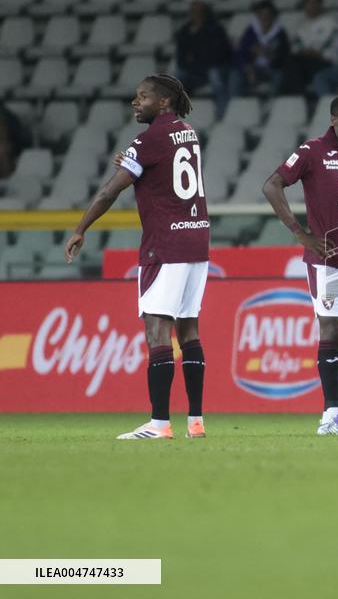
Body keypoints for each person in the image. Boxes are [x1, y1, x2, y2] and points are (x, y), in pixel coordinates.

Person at [64, 74, 210, 440]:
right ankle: (196, 421)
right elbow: (161, 171)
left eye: (142, 96)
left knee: (157, 328)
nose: (135, 102)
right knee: (189, 327)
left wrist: (81, 228)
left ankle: (159, 423)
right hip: (197, 241)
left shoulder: (147, 139)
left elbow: (110, 191)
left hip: (165, 245)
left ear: (163, 102)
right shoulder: (187, 131)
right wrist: (134, 161)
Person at [262, 95, 338, 436]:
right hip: (326, 260)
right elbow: (271, 185)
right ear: (334, 120)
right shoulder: (311, 151)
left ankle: (337, 414)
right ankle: (329, 414)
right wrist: (301, 234)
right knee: (329, 328)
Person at [174, 0, 231, 119]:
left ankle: (222, 115)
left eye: (200, 12)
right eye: (194, 12)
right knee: (175, 80)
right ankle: (177, 117)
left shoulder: (215, 29)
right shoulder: (185, 31)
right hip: (194, 71)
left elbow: (219, 55)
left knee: (216, 77)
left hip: (211, 69)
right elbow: (181, 58)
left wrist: (196, 58)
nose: (197, 14)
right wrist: (199, 59)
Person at [282, 0, 337, 95]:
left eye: (315, 2)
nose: (312, 5)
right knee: (290, 64)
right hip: (303, 62)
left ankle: (296, 100)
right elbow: (295, 47)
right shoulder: (300, 24)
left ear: (320, 3)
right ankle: (293, 100)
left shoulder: (330, 22)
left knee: (294, 66)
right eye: (309, 2)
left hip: (324, 62)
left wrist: (310, 52)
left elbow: (323, 49)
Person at [231, 0, 290, 96]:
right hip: (254, 68)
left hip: (272, 69)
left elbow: (284, 57)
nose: (265, 17)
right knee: (235, 75)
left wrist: (269, 55)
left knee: (280, 76)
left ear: (273, 16)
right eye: (262, 14)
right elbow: (240, 52)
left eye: (268, 14)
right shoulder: (251, 31)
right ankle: (237, 105)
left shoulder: (280, 33)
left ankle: (273, 105)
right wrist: (247, 66)